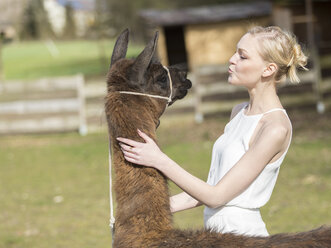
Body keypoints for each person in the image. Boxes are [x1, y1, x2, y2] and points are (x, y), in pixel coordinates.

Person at [116, 26, 308, 237]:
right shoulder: (239, 112)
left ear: (268, 70)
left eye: (242, 56)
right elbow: (206, 191)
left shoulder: (275, 128)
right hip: (216, 237)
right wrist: (137, 214)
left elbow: (217, 197)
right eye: (236, 52)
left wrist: (159, 160)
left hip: (243, 238)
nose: (232, 59)